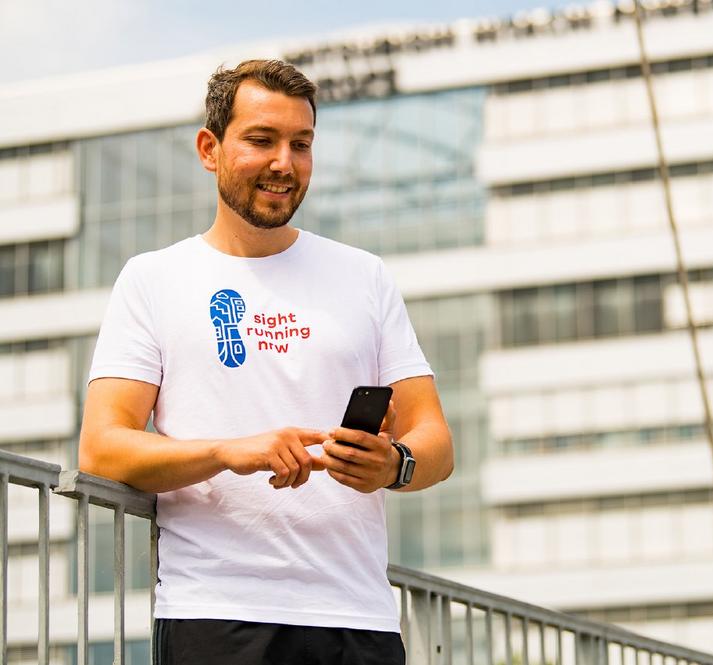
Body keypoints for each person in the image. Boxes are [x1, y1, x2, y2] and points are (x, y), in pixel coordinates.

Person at [78, 59, 453, 665]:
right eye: (261, 140)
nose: (285, 162)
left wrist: (394, 464)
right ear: (210, 149)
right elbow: (102, 448)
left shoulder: (364, 275)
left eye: (301, 144)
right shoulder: (153, 279)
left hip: (357, 617)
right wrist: (228, 452)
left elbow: (434, 439)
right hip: (214, 614)